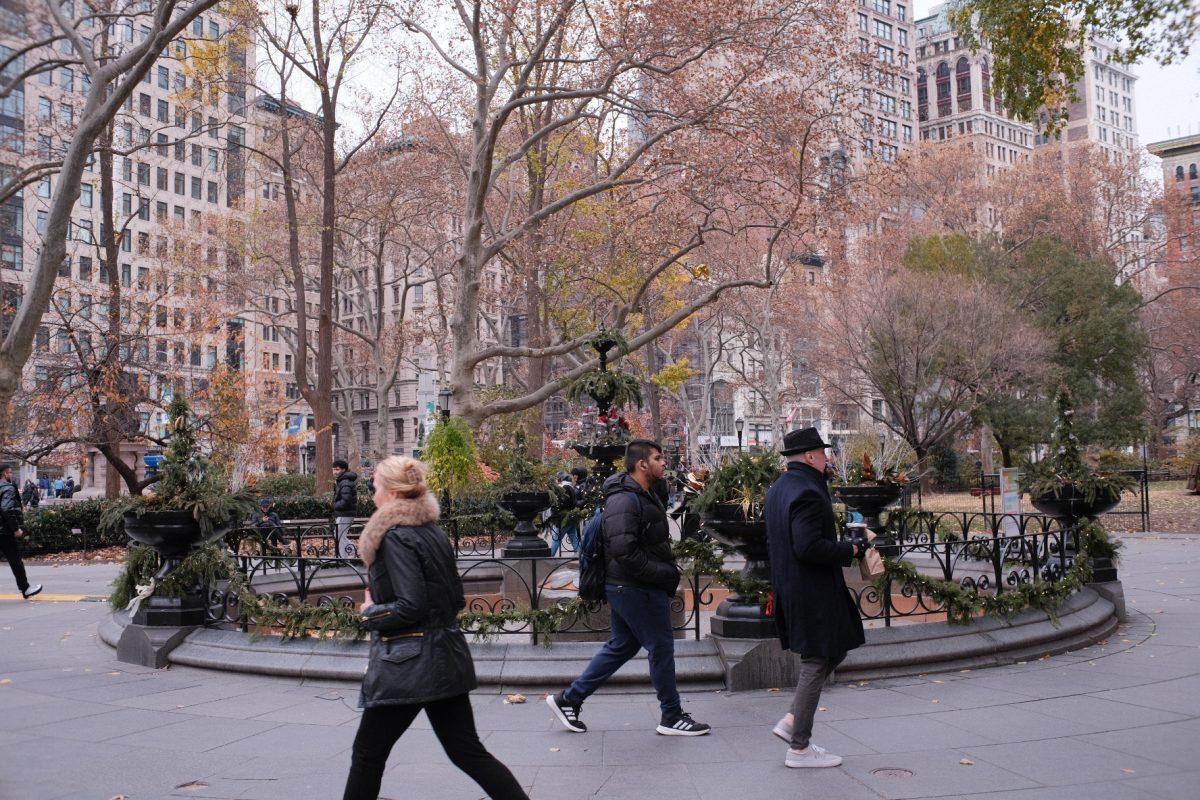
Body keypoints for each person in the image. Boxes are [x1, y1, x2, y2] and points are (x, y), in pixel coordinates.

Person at [342, 456, 529, 800]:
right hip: (445, 656)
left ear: (394, 493)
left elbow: (411, 605)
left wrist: (371, 612)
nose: (373, 496)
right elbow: (455, 598)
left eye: (377, 488)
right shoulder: (431, 532)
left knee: (367, 755)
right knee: (467, 752)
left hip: (407, 663)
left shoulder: (395, 536)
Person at [547, 440, 710, 737]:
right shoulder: (625, 499)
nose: (664, 463)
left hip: (629, 586)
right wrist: (664, 574)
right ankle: (671, 716)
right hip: (635, 587)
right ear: (641, 464)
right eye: (658, 458)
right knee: (660, 647)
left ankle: (569, 699)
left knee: (622, 645)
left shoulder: (643, 493)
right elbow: (624, 550)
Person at [763, 428, 865, 769]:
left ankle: (793, 721)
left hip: (796, 589)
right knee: (817, 659)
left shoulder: (780, 488)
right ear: (809, 456)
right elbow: (806, 546)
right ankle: (799, 747)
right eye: (823, 452)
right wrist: (849, 548)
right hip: (812, 591)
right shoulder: (807, 490)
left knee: (836, 647)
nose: (827, 457)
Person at [0, 464, 42, 599]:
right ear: (5, 474)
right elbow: (7, 509)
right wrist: (16, 528)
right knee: (15, 560)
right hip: (4, 531)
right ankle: (25, 588)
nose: (11, 475)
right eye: (10, 473)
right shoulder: (7, 488)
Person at [548, 469, 585, 556]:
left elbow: (562, 503)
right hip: (571, 517)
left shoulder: (563, 488)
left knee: (556, 538)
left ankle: (549, 557)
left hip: (564, 518)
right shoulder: (571, 488)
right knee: (573, 539)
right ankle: (581, 557)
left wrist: (556, 510)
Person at [332, 459, 359, 559]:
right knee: (339, 535)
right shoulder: (343, 481)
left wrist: (335, 506)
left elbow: (346, 499)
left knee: (339, 535)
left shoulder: (345, 482)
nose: (335, 471)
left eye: (337, 469)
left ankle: (345, 556)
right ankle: (352, 553)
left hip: (345, 513)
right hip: (345, 513)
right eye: (334, 469)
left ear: (344, 470)